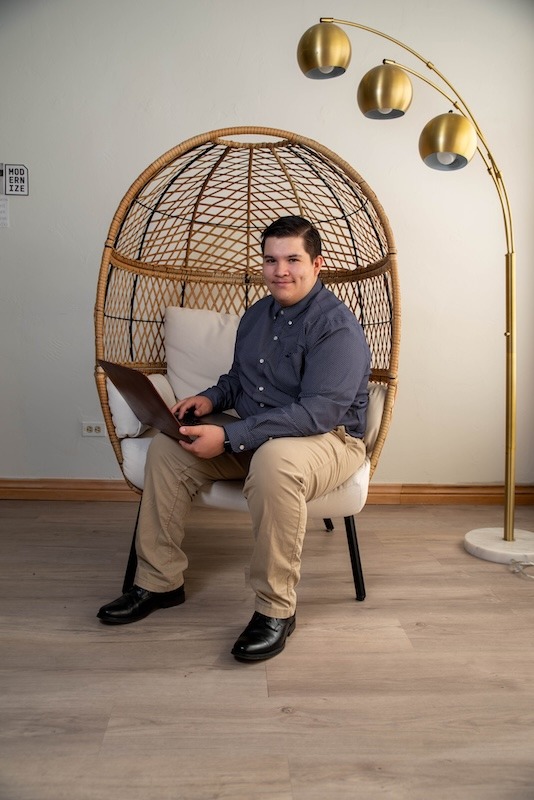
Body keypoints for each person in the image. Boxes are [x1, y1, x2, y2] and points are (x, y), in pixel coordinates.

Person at [97, 215, 371, 661]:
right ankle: (159, 582)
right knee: (169, 448)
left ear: (317, 264)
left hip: (329, 438)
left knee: (276, 462)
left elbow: (317, 412)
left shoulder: (335, 327)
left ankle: (276, 609)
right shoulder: (256, 315)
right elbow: (238, 381)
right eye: (271, 260)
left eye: (292, 259)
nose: (280, 270)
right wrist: (207, 400)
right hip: (262, 431)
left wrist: (228, 439)